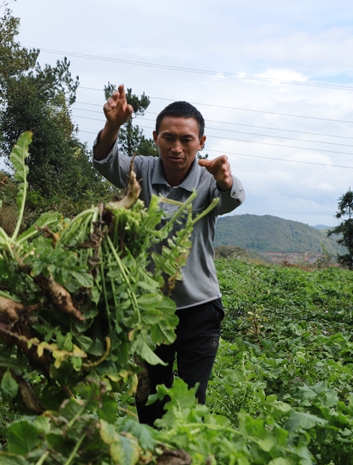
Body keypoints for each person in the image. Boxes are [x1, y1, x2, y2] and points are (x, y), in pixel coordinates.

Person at [92, 85, 245, 425]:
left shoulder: (208, 178)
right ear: (155, 138)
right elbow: (105, 161)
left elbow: (232, 197)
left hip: (199, 310)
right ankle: (151, 455)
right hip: (147, 308)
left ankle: (184, 457)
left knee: (190, 403)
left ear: (201, 142)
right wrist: (113, 125)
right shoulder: (142, 169)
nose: (177, 148)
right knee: (149, 403)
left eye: (186, 139)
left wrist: (224, 181)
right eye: (168, 138)